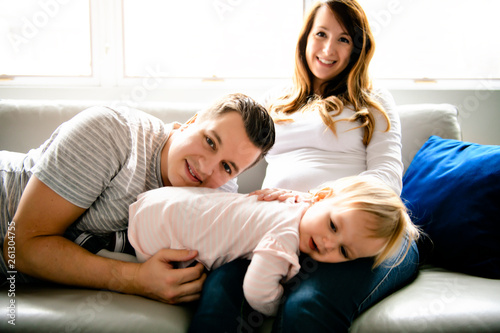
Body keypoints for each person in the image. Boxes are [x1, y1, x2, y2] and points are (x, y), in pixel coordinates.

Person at [189, 1, 420, 332]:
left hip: (367, 232)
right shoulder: (273, 101)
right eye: (321, 34)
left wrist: (312, 201)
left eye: (343, 39)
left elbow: (385, 180)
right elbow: (230, 165)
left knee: (306, 307)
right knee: (218, 297)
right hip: (279, 229)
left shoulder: (372, 99)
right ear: (305, 39)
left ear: (358, 47)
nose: (328, 49)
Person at [0, 93, 275, 305]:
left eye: (227, 167)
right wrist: (136, 279)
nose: (206, 168)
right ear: (190, 122)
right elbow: (20, 247)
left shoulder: (219, 193)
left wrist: (280, 204)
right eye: (210, 142)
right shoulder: (110, 132)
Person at [127, 175, 419, 317]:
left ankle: (116, 240)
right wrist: (276, 302)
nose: (328, 244)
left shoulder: (297, 204)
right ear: (321, 196)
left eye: (344, 252)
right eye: (333, 225)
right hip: (158, 234)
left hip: (161, 201)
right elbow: (257, 291)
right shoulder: (285, 237)